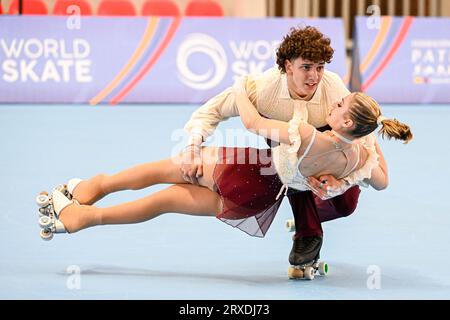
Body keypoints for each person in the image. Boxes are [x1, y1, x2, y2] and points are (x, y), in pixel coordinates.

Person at [39, 85, 412, 274]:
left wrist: (239, 90)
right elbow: (381, 182)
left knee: (159, 171)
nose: (333, 104)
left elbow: (253, 124)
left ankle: (91, 188)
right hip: (261, 199)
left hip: (244, 170)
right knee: (163, 201)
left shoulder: (312, 137)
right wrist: (363, 155)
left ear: (347, 122)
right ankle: (83, 218)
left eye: (339, 106)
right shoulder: (363, 154)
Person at [180, 25, 384, 265]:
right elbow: (213, 110)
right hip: (284, 145)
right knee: (296, 166)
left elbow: (363, 136)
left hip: (331, 150)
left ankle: (307, 220)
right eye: (306, 67)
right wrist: (193, 148)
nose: (314, 76)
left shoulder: (333, 89)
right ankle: (308, 232)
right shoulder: (264, 88)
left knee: (346, 205)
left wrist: (344, 183)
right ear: (288, 66)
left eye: (320, 67)